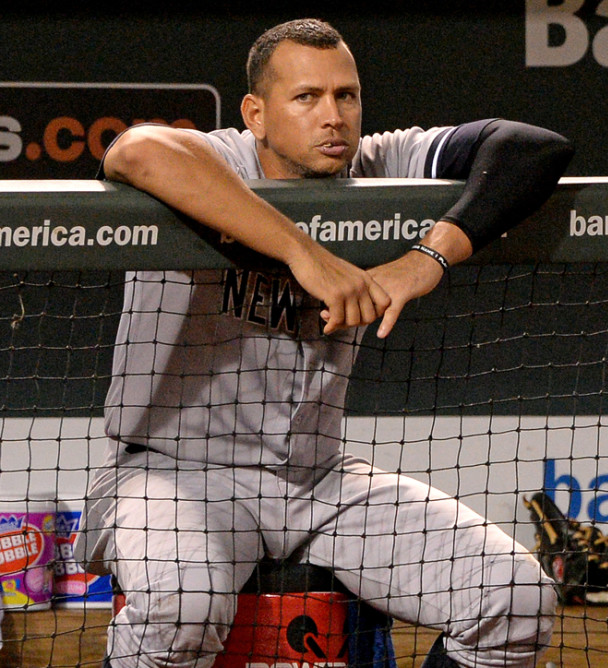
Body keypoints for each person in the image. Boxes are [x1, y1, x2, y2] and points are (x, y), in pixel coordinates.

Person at [80, 18, 573, 668]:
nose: (332, 115)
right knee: (181, 609)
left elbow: (532, 147)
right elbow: (136, 152)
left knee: (515, 599)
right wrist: (303, 253)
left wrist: (429, 257)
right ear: (256, 113)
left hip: (317, 482)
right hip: (171, 475)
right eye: (306, 97)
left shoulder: (378, 166)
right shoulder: (222, 161)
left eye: (347, 96)